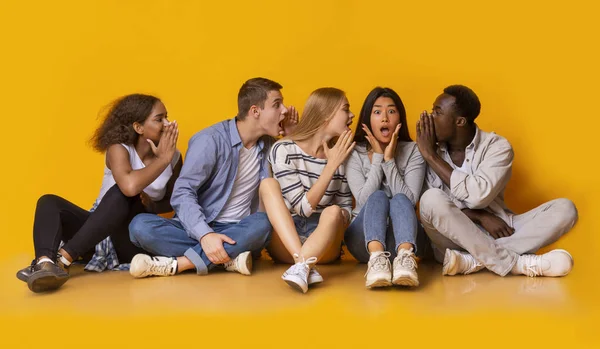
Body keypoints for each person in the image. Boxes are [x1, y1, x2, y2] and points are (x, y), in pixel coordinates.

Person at [128, 77, 296, 278]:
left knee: (264, 223)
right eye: (277, 105)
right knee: (140, 226)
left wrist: (292, 138)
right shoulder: (210, 140)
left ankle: (180, 264)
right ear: (255, 111)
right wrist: (205, 234)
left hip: (240, 229)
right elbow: (182, 192)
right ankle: (229, 260)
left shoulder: (271, 146)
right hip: (201, 225)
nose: (285, 110)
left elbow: (292, 186)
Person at [17, 94, 181, 292]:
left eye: (167, 117)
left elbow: (173, 202)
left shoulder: (173, 156)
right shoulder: (119, 149)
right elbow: (129, 185)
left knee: (126, 195)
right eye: (159, 119)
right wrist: (162, 160)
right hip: (94, 235)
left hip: (132, 239)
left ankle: (62, 260)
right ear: (138, 127)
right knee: (48, 202)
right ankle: (45, 263)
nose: (167, 124)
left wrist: (151, 202)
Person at [416, 84, 578, 277]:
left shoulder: (498, 147)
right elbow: (433, 211)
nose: (429, 117)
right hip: (452, 239)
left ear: (459, 121)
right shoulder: (425, 151)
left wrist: (431, 156)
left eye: (437, 112)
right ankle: (514, 262)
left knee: (565, 209)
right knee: (430, 199)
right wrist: (481, 217)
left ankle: (472, 261)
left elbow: (478, 197)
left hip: (500, 229)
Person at [259, 87, 354, 293]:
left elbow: (346, 206)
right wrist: (331, 167)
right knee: (267, 185)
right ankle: (302, 263)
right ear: (326, 115)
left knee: (334, 210)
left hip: (324, 243)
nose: (351, 115)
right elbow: (302, 208)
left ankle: (301, 265)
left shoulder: (342, 155)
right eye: (346, 109)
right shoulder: (284, 149)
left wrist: (337, 218)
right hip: (286, 238)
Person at [344, 87, 426, 288]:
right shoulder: (355, 153)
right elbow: (363, 201)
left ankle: (405, 261)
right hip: (363, 241)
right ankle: (377, 259)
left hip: (407, 240)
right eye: (377, 112)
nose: (385, 119)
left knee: (399, 199)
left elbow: (410, 200)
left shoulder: (413, 150)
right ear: (368, 118)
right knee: (378, 196)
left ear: (400, 117)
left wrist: (389, 160)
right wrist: (378, 158)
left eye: (391, 111)